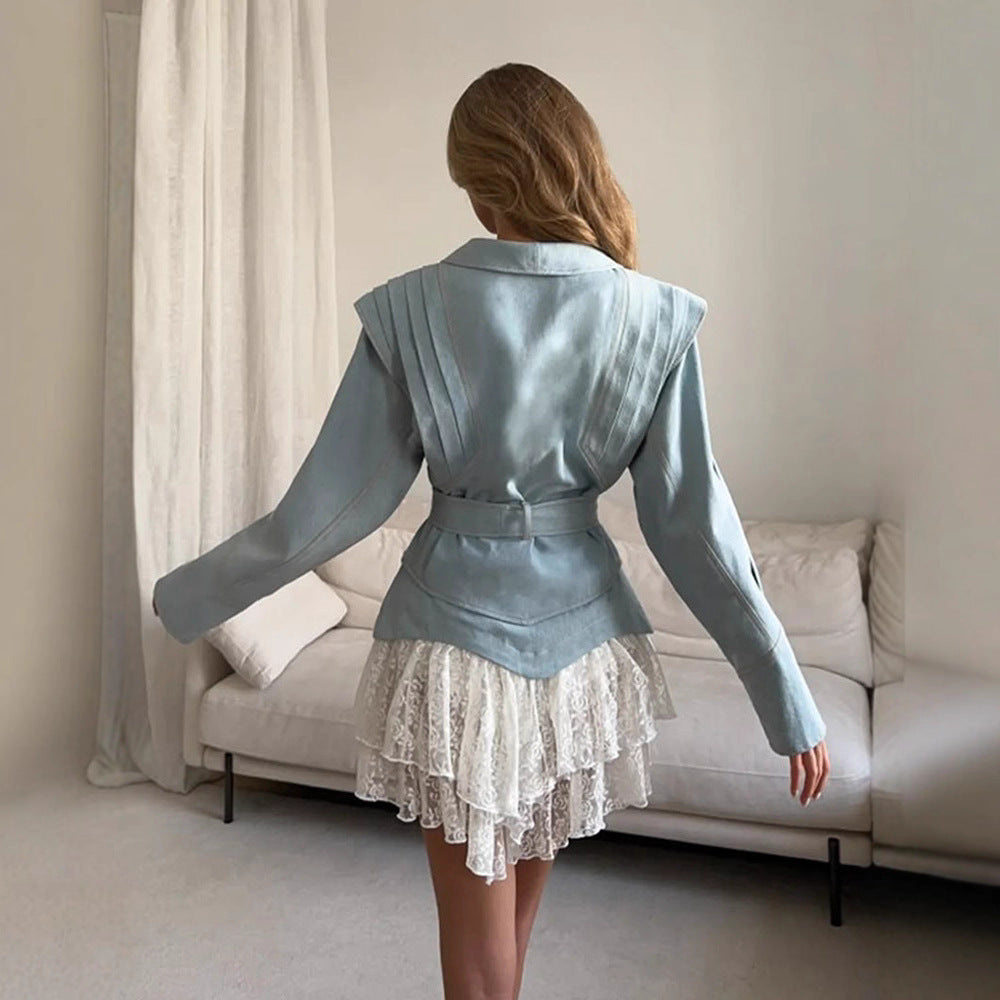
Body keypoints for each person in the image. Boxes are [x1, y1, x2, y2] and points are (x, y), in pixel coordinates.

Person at [153, 62, 830, 1000]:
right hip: (584, 649)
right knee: (508, 938)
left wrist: (188, 594)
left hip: (451, 645)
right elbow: (694, 529)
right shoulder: (654, 313)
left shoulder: (412, 307)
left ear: (479, 184)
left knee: (477, 949)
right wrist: (785, 692)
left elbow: (333, 509)